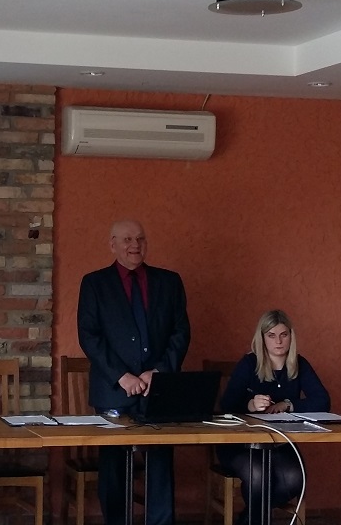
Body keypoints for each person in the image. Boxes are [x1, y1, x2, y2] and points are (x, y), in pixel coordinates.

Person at [78, 219, 191, 525]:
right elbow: (89, 336)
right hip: (113, 389)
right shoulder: (94, 283)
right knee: (113, 469)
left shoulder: (169, 282)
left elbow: (180, 333)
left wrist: (159, 371)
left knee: (160, 465)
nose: (135, 245)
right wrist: (122, 376)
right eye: (127, 239)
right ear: (112, 245)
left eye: (140, 239)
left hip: (159, 389)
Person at [217, 309, 331, 525]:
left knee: (295, 478)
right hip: (240, 445)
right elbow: (226, 405)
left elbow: (323, 401)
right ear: (262, 338)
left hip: (279, 443)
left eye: (283, 335)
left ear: (291, 336)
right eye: (271, 335)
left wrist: (288, 404)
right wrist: (251, 405)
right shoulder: (249, 363)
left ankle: (248, 518)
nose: (278, 341)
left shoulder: (299, 363)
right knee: (258, 474)